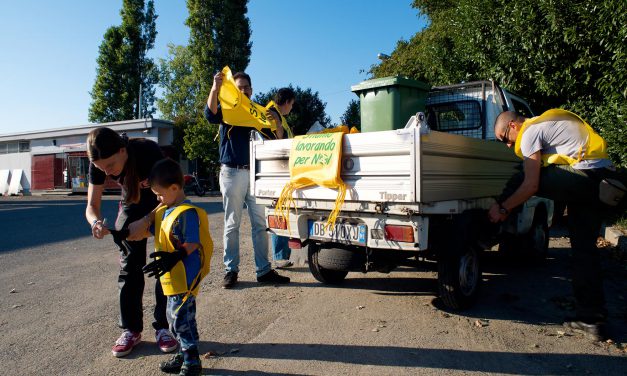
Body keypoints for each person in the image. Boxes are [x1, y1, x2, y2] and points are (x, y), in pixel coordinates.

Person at [488, 109, 624, 341]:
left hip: (585, 177)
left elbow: (531, 185)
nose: (508, 146)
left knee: (521, 176)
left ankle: (490, 222)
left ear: (513, 126)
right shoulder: (550, 124)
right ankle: (591, 319)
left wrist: (503, 207)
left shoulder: (530, 131)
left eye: (504, 139)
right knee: (583, 250)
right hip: (601, 184)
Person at [85, 127, 178, 357]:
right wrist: (95, 223)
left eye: (110, 166)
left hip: (161, 203)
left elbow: (172, 196)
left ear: (122, 150)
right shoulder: (99, 163)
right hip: (131, 202)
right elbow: (91, 206)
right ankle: (131, 329)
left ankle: (164, 327)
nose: (107, 173)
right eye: (101, 169)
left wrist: (146, 222)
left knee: (163, 263)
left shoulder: (147, 151)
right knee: (129, 266)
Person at [205, 70, 290, 288]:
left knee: (260, 225)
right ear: (233, 89)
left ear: (251, 90)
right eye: (239, 87)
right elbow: (209, 114)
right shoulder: (227, 108)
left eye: (246, 87)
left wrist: (278, 124)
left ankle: (263, 270)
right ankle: (230, 270)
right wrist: (215, 88)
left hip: (254, 174)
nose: (243, 90)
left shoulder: (256, 112)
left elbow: (278, 140)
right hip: (231, 172)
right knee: (232, 224)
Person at [142, 158, 213, 376]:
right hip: (173, 277)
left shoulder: (186, 212)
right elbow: (161, 234)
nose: (158, 199)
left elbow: (192, 242)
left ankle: (192, 362)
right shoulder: (168, 211)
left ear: (175, 188)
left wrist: (176, 256)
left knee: (181, 319)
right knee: (175, 318)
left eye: (160, 194)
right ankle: (184, 354)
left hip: (185, 277)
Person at [266, 87, 296, 268]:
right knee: (279, 213)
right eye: (291, 105)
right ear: (286, 102)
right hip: (276, 172)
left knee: (283, 212)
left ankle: (282, 254)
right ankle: (280, 257)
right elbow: (276, 141)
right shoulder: (271, 113)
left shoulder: (279, 116)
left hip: (282, 172)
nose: (291, 108)